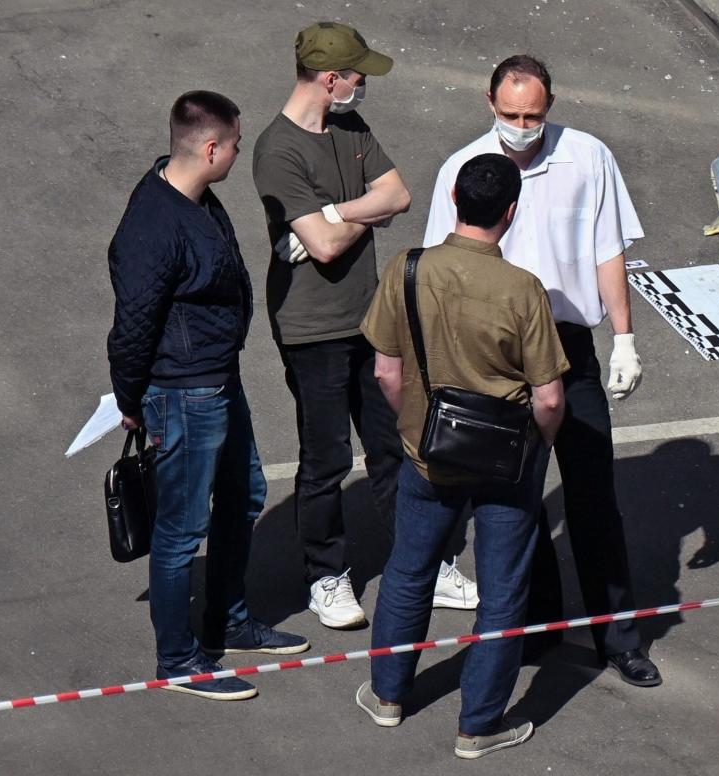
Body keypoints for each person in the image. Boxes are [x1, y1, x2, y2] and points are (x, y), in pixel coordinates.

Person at [423, 55, 661, 687]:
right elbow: (446, 271)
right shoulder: (465, 171)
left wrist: (625, 339)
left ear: (550, 107)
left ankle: (619, 637)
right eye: (510, 115)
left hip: (568, 345)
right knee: (515, 498)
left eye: (533, 115)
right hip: (499, 358)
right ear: (489, 104)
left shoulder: (588, 157)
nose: (522, 127)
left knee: (592, 499)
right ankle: (540, 622)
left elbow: (608, 249)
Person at [253, 22, 476, 630]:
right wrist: (350, 221)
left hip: (371, 319)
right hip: (312, 330)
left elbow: (399, 196)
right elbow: (323, 249)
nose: (361, 84)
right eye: (356, 76)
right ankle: (326, 573)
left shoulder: (349, 128)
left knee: (393, 446)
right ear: (330, 79)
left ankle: (423, 563)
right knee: (325, 458)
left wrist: (331, 212)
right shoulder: (278, 151)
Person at [356, 153, 568, 759]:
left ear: (453, 198)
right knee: (503, 592)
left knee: (409, 570)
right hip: (507, 461)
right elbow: (549, 397)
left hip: (428, 453)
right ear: (511, 211)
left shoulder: (409, 268)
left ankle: (388, 696)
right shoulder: (522, 290)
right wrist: (538, 448)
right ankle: (477, 726)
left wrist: (413, 429)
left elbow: (387, 372)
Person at [107, 91, 308, 702]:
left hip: (218, 378)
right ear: (212, 147)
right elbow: (134, 322)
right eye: (237, 142)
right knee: (179, 529)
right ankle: (178, 659)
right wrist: (130, 397)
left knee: (244, 495)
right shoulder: (154, 224)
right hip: (184, 391)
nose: (241, 149)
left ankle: (227, 619)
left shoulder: (196, 195)